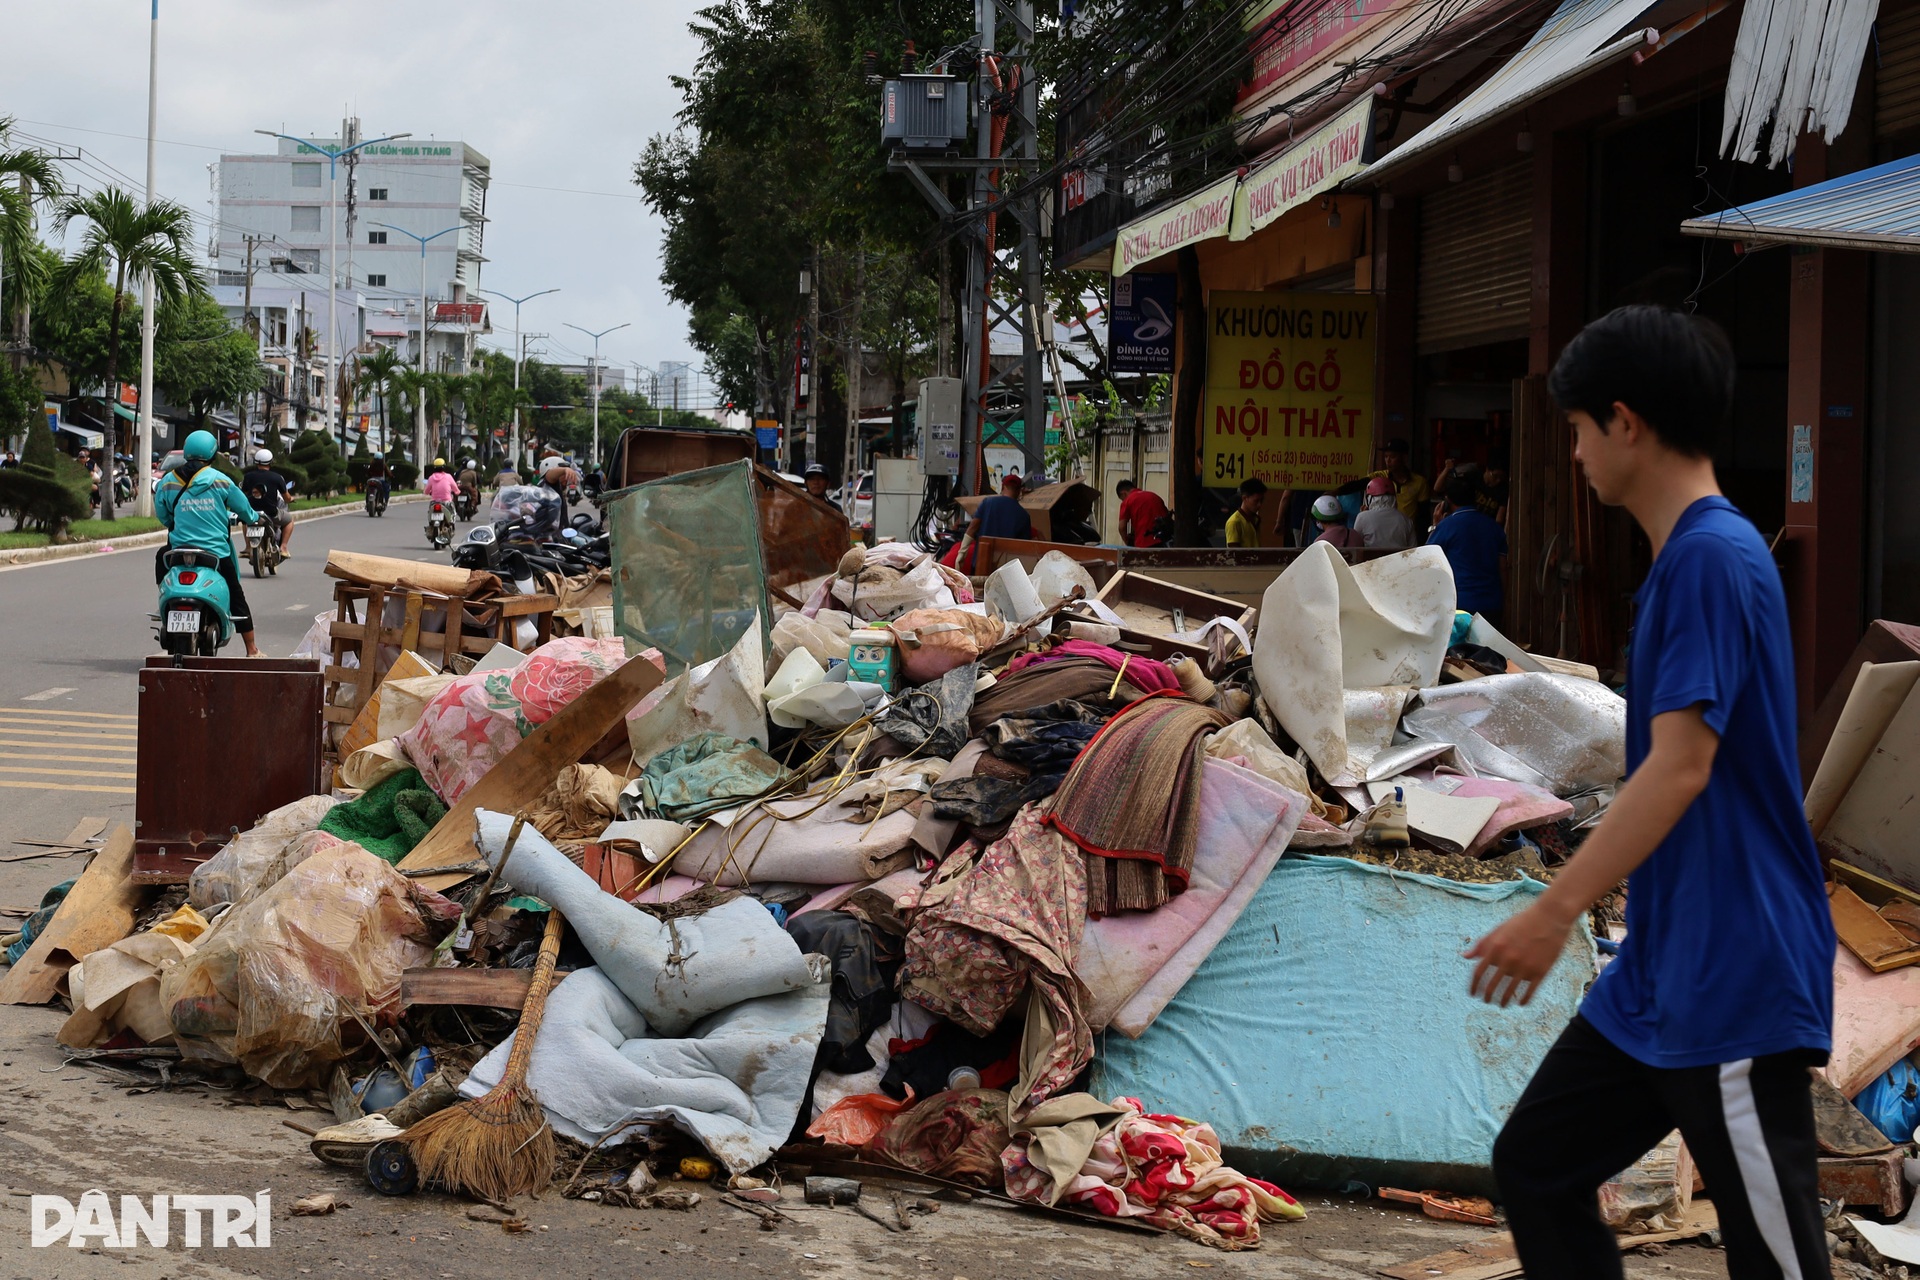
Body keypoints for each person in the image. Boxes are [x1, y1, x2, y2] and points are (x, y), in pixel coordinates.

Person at [1468, 307, 1835, 1280]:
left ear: (1625, 421)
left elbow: (1681, 763)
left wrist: (1554, 907)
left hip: (1735, 968)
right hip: (1665, 971)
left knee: (1779, 1258)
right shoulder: (1691, 559)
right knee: (1538, 1163)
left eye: (1580, 428)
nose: (1576, 451)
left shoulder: (1710, 557)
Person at [154, 430, 265, 657]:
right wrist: (255, 518)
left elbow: (164, 516)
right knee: (236, 595)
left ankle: (165, 600)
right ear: (213, 454)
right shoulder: (221, 481)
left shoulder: (167, 482)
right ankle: (252, 649)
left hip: (177, 551)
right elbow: (244, 509)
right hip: (215, 553)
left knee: (160, 559)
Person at [1427, 472, 1507, 623]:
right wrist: (1504, 601)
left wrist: (1434, 526)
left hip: (1459, 605)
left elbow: (1427, 559)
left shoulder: (1446, 526)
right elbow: (1503, 568)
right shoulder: (1494, 528)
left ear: (1447, 501)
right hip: (1492, 604)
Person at [958, 472, 1031, 572]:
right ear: (1019, 491)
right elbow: (1023, 547)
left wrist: (962, 553)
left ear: (1003, 486)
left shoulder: (988, 502)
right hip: (1007, 570)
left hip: (982, 564)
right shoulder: (1024, 515)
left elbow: (973, 527)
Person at [240, 449, 295, 558]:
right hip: (271, 513)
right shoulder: (277, 477)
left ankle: (248, 547)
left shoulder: (248, 476)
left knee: (245, 521)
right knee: (290, 520)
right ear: (270, 462)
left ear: (256, 462)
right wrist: (291, 499)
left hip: (253, 513)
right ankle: (283, 547)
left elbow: (243, 493)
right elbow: (286, 498)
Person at [1371, 438, 1430, 525]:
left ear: (1404, 458)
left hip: (1406, 533)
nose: (1388, 461)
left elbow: (1423, 515)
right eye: (1386, 457)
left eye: (1392, 457)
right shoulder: (1381, 477)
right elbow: (1358, 483)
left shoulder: (1419, 482)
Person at [1352, 476, 1414, 548]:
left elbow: (1356, 545)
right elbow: (1413, 549)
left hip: (1372, 559)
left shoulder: (1362, 517)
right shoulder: (1406, 520)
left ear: (1370, 498)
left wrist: (1364, 515)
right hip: (1399, 559)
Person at [1114, 479, 1170, 548]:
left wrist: (1127, 541)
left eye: (1122, 499)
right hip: (1166, 541)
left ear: (1123, 493)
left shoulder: (1128, 501)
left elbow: (1122, 527)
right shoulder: (1154, 496)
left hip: (1144, 543)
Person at [1224, 477, 1266, 548]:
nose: (1259, 505)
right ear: (1244, 498)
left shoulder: (1256, 519)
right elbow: (1234, 553)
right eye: (1256, 501)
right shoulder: (1234, 522)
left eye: (1261, 501)